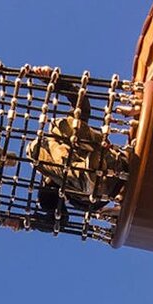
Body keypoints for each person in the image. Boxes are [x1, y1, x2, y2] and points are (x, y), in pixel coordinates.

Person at [26, 66, 129, 224]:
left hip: (107, 163)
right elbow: (61, 220)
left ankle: (86, 172)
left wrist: (56, 82)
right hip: (94, 189)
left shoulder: (63, 133)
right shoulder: (51, 187)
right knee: (34, 149)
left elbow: (81, 106)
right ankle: (84, 176)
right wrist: (26, 222)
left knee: (58, 126)